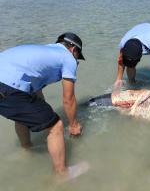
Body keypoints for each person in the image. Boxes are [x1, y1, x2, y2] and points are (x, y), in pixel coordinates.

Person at [0, 33, 88, 179]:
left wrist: (44, 114)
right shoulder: (68, 58)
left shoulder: (44, 52)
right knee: (56, 126)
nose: (76, 61)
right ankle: (62, 174)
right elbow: (69, 99)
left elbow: (34, 94)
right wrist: (73, 125)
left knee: (23, 114)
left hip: (8, 86)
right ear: (73, 50)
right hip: (8, 87)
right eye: (77, 57)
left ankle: (26, 150)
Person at [114, 23, 150, 89]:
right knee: (130, 64)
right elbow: (121, 61)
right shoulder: (123, 44)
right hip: (141, 31)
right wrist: (118, 79)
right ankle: (132, 83)